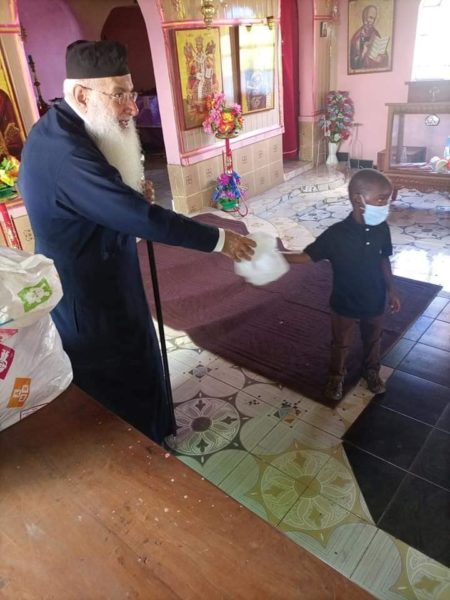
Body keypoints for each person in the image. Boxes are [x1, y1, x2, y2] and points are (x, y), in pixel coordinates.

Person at [18, 40, 255, 444]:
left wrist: (123, 194)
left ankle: (155, 429)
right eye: (119, 95)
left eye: (133, 93)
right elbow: (142, 219)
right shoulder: (65, 154)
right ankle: (141, 450)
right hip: (88, 293)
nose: (133, 107)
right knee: (117, 374)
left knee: (138, 354)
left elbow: (103, 200)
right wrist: (219, 240)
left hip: (108, 270)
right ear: (82, 95)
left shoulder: (65, 125)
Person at [282, 169, 401, 402]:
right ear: (358, 199)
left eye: (387, 199)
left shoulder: (381, 228)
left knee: (373, 339)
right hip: (344, 300)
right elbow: (306, 256)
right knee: (341, 343)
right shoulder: (336, 235)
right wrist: (273, 255)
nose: (386, 205)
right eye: (381, 199)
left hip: (375, 299)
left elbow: (383, 258)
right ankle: (336, 376)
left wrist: (392, 289)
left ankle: (371, 371)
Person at [349, 4, 389, 71]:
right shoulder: (356, 38)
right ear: (363, 17)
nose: (369, 20)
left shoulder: (375, 34)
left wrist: (381, 58)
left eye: (372, 18)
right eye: (367, 17)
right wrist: (363, 53)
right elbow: (353, 65)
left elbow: (385, 58)